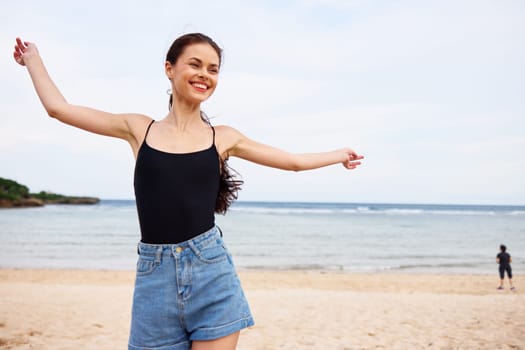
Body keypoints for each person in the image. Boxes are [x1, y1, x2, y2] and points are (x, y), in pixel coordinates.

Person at [13, 33, 364, 350]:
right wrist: (33, 60)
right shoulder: (138, 128)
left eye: (213, 69)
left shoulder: (223, 137)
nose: (205, 75)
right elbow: (59, 109)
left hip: (211, 272)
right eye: (195, 64)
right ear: (169, 68)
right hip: (155, 277)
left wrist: (339, 155)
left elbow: (292, 162)